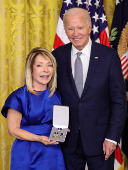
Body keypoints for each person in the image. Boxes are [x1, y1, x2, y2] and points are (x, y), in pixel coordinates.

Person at [52, 8, 127, 170]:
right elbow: (52, 97)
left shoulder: (109, 56)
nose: (75, 33)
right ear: (64, 30)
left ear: (89, 27)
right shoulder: (57, 56)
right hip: (67, 142)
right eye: (70, 28)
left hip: (101, 142)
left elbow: (119, 102)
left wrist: (112, 138)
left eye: (79, 27)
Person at [1, 47, 66, 170]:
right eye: (40, 65)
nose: (46, 70)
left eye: (49, 65)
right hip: (27, 152)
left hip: (52, 152)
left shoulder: (56, 95)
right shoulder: (18, 97)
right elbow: (13, 130)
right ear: (31, 70)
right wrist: (38, 138)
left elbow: (57, 123)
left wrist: (62, 129)